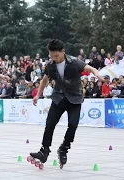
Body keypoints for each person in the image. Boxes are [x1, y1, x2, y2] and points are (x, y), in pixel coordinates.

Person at [29, 39, 103, 168]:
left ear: (63, 51)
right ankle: (44, 150)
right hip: (58, 98)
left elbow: (89, 68)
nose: (54, 58)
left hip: (75, 98)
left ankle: (64, 148)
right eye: (51, 56)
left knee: (73, 125)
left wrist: (97, 73)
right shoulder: (50, 65)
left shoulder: (74, 62)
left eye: (56, 56)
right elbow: (45, 80)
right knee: (50, 124)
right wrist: (38, 95)